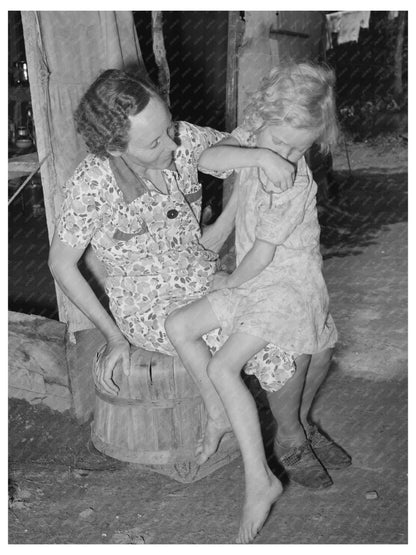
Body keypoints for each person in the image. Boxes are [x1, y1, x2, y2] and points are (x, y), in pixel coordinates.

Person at [48, 69, 297, 464]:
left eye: (168, 127)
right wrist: (113, 336)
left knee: (289, 322)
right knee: (254, 340)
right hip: (150, 306)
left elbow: (231, 146)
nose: (172, 143)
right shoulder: (92, 183)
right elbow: (61, 265)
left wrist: (263, 155)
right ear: (115, 149)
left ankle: (291, 435)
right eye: (154, 142)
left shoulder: (177, 137)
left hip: (202, 277)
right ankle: (232, 423)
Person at [165, 61, 350, 543]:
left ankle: (277, 457)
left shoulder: (296, 184)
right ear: (260, 116)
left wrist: (227, 283)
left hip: (286, 283)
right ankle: (256, 423)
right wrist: (257, 156)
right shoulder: (251, 136)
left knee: (268, 358)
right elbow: (209, 161)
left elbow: (264, 256)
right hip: (258, 277)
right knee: (186, 326)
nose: (286, 158)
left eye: (298, 149)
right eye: (280, 142)